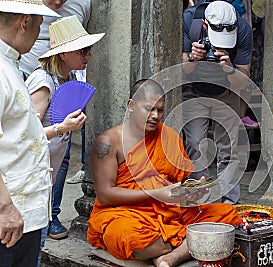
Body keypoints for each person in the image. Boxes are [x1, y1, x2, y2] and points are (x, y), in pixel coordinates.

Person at [87, 79, 242, 267]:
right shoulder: (108, 143)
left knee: (228, 215)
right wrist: (155, 194)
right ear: (131, 106)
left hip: (169, 212)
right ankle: (185, 246)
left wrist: (192, 192)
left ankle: (169, 258)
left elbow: (177, 188)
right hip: (125, 213)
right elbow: (105, 196)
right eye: (149, 109)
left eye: (160, 110)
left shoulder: (168, 136)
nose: (155, 116)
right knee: (129, 237)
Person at [25, 15, 104, 242]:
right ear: (62, 54)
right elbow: (26, 135)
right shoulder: (42, 82)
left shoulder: (72, 76)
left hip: (49, 165)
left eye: (87, 50)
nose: (88, 55)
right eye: (82, 51)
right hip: (32, 169)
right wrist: (62, 128)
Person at [0, 1, 60, 265]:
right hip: (10, 212)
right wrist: (4, 208)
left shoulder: (10, 64)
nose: (39, 35)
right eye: (39, 26)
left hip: (21, 210)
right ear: (24, 22)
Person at [182, 0, 253, 204]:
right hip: (195, 89)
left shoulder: (243, 29)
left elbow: (243, 80)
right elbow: (181, 70)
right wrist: (192, 58)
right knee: (195, 143)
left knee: (229, 148)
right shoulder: (190, 20)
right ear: (205, 25)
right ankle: (199, 199)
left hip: (228, 91)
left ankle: (230, 203)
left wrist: (229, 68)